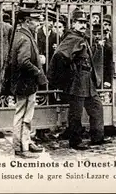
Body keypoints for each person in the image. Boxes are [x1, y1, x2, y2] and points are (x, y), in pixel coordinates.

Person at [48, 8, 111, 150]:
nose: (83, 25)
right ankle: (75, 141)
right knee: (75, 113)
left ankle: (97, 137)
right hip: (77, 81)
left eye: (85, 22)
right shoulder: (72, 38)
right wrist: (70, 69)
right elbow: (59, 55)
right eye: (80, 22)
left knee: (96, 107)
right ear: (73, 24)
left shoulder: (82, 37)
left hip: (87, 80)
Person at [0, 4, 47, 158]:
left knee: (26, 115)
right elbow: (23, 61)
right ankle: (20, 147)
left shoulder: (22, 34)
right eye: (34, 21)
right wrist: (38, 71)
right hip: (25, 83)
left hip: (24, 83)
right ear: (26, 21)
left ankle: (26, 142)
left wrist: (37, 59)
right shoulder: (24, 37)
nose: (37, 23)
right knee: (23, 116)